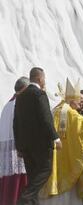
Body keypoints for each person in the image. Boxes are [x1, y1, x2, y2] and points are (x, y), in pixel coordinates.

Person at [39, 78, 83, 205]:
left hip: (55, 154)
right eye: (78, 101)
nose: (80, 104)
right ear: (72, 100)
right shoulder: (69, 112)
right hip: (65, 157)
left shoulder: (57, 109)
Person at [13, 67, 62, 205]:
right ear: (40, 78)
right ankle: (24, 197)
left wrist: (19, 146)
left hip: (26, 146)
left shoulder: (20, 97)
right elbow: (46, 118)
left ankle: (30, 200)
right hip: (41, 145)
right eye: (44, 78)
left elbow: (16, 123)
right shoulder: (39, 94)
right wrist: (55, 138)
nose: (44, 81)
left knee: (33, 176)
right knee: (46, 170)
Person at [0, 77, 29, 205]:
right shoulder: (20, 104)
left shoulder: (7, 105)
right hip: (19, 154)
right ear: (25, 89)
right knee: (19, 192)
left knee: (8, 191)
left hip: (7, 157)